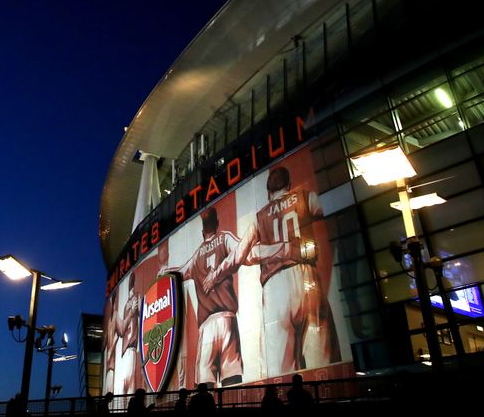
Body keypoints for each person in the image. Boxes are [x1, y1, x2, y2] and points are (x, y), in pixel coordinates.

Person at [227, 166, 341, 376]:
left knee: (282, 369)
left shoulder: (260, 216)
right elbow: (335, 202)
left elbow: (240, 255)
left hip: (275, 287)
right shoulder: (304, 197)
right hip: (307, 277)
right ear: (288, 186)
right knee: (322, 362)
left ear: (269, 193)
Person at [159, 206, 244, 386]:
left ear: (202, 231)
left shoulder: (197, 255)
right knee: (232, 379)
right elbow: (241, 250)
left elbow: (180, 272)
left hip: (206, 326)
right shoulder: (225, 238)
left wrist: (165, 273)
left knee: (205, 384)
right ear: (217, 224)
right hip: (227, 318)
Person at [113, 273, 141, 395]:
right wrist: (133, 310)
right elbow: (123, 329)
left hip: (126, 351)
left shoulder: (129, 303)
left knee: (125, 390)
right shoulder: (129, 304)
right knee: (128, 389)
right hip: (128, 350)